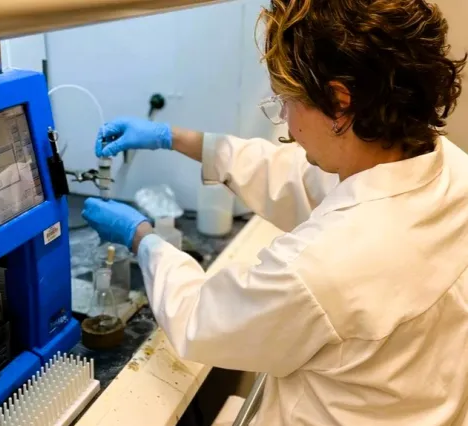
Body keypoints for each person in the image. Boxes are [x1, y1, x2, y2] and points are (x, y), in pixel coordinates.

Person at [82, 0, 468, 424]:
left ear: (339, 103)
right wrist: (171, 137)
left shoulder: (322, 266)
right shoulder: (448, 168)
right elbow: (294, 176)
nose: (284, 118)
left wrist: (141, 235)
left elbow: (199, 319)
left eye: (287, 100)